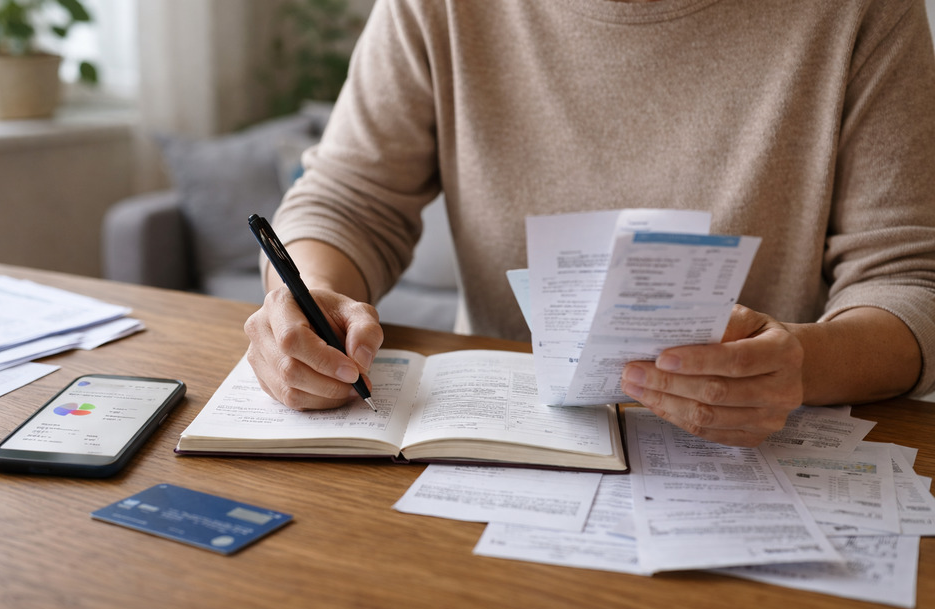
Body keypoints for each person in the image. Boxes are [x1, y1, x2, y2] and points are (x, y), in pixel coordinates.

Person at [244, 0, 935, 447]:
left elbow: (911, 282)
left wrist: (798, 367)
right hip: (501, 445)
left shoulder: (863, 11)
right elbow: (347, 198)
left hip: (762, 454)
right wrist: (304, 302)